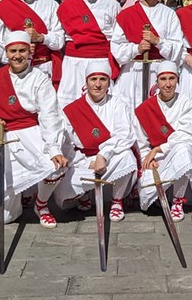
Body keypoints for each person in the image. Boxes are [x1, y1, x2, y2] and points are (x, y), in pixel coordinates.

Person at [0, 31, 67, 227]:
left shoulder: (40, 78)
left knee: (54, 167)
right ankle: (19, 197)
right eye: (12, 51)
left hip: (31, 133)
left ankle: (41, 204)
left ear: (29, 53)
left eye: (22, 50)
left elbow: (49, 114)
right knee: (3, 218)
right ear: (6, 53)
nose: (17, 55)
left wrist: (53, 148)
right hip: (4, 135)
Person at [55, 61, 137, 221]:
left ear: (109, 83)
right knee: (65, 186)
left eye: (103, 79)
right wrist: (88, 163)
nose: (98, 84)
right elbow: (67, 146)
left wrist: (103, 155)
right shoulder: (71, 110)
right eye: (93, 79)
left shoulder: (118, 105)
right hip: (83, 161)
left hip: (109, 159)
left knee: (127, 157)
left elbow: (125, 135)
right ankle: (82, 195)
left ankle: (117, 201)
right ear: (86, 82)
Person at [134, 61, 192, 221]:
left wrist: (159, 148)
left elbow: (186, 136)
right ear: (157, 82)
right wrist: (148, 158)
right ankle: (157, 197)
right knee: (146, 201)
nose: (168, 84)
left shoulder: (187, 104)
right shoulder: (145, 108)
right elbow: (140, 141)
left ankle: (178, 200)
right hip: (156, 159)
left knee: (183, 151)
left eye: (172, 79)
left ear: (178, 80)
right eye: (163, 79)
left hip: (177, 153)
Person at [110, 0, 184, 112]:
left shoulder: (169, 14)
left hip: (160, 72)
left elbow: (177, 47)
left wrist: (158, 41)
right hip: (132, 72)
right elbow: (116, 47)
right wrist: (136, 49)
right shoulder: (127, 15)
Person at [56, 0, 120, 106]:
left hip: (101, 61)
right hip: (73, 63)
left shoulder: (112, 5)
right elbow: (60, 37)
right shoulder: (66, 5)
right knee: (71, 104)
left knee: (103, 103)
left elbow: (118, 37)